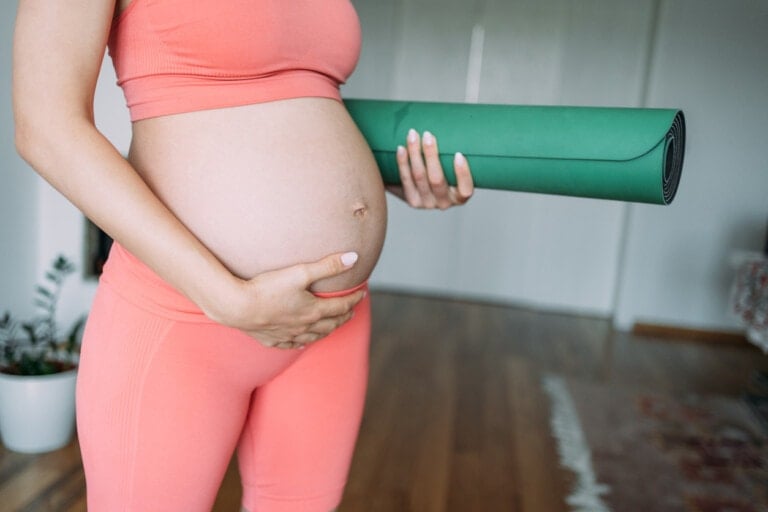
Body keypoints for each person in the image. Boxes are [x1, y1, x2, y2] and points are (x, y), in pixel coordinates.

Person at [13, 0, 474, 510]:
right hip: (185, 318)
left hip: (330, 318)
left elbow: (293, 104)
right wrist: (227, 298)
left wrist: (387, 177)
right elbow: (46, 128)